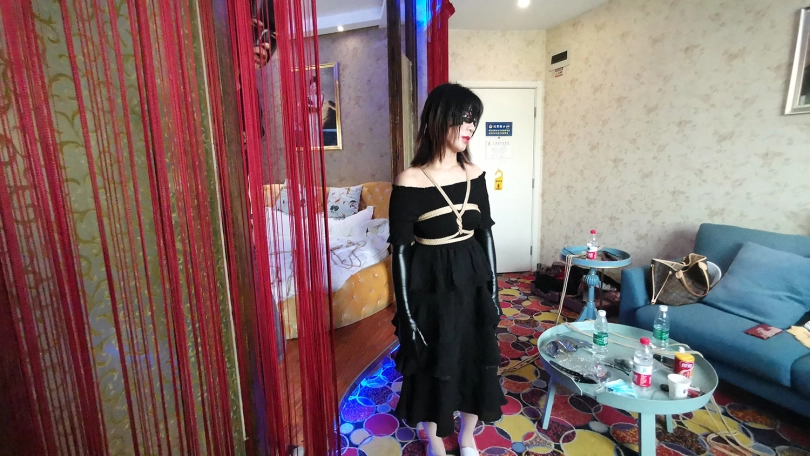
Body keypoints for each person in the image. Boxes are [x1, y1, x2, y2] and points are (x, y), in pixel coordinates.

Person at [388, 83, 505, 456]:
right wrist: (406, 314)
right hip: (431, 289)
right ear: (440, 119)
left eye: (474, 120)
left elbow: (485, 235)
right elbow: (400, 252)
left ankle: (467, 437)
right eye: (464, 118)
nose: (471, 127)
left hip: (472, 284)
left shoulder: (475, 173)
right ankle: (436, 441)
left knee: (475, 360)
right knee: (434, 365)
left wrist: (493, 291)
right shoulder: (409, 180)